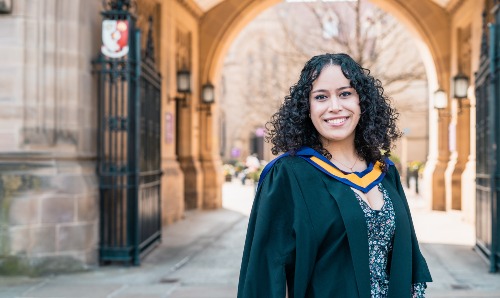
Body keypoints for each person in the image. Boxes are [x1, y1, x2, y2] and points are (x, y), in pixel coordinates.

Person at [237, 53, 432, 298]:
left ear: (362, 101)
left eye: (345, 93)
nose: (335, 106)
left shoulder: (384, 172)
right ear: (307, 108)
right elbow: (265, 272)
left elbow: (408, 262)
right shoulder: (288, 175)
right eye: (321, 97)